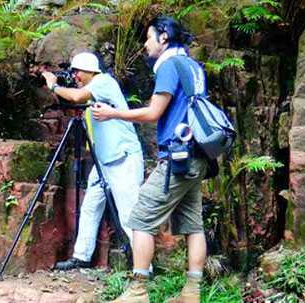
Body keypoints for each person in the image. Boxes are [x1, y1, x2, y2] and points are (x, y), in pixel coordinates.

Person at [92, 17, 208, 303]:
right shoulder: (193, 66)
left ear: (164, 37)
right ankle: (192, 293)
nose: (146, 44)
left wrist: (113, 113)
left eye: (148, 37)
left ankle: (138, 291)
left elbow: (154, 112)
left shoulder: (169, 65)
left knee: (140, 218)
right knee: (193, 226)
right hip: (199, 155)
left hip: (178, 158)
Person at [41, 52, 144, 270]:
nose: (75, 76)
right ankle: (81, 256)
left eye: (77, 71)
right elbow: (77, 99)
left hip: (122, 158)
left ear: (90, 71)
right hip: (104, 160)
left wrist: (53, 86)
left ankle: (144, 269)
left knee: (128, 215)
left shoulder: (104, 82)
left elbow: (77, 97)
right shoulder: (94, 90)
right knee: (90, 207)